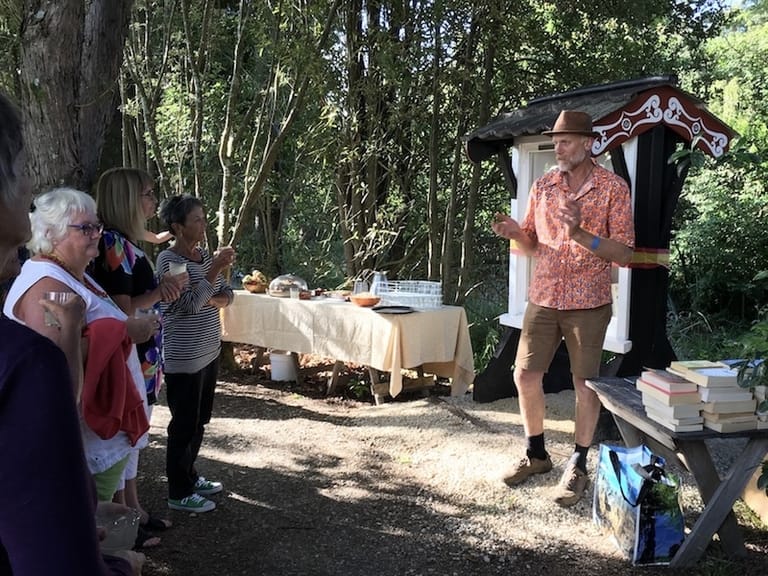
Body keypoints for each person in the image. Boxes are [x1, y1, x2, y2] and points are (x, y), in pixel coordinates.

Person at [0, 92, 143, 575]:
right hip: (87, 433)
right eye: (20, 171)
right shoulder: (24, 353)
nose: (29, 193)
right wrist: (122, 568)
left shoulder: (79, 278)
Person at [491, 109, 635, 507]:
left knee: (584, 384)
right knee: (524, 374)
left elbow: (624, 252)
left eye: (566, 140)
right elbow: (531, 243)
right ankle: (536, 454)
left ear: (588, 143)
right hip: (544, 296)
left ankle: (578, 464)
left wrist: (580, 235)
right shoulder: (544, 185)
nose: (558, 147)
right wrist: (514, 233)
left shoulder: (612, 188)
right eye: (555, 140)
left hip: (588, 303)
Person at [3, 187, 158, 504]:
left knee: (104, 523)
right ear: (50, 234)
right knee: (93, 524)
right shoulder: (46, 282)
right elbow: (53, 364)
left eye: (96, 226)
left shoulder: (71, 273)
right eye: (84, 228)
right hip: (80, 438)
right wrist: (124, 331)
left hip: (98, 430)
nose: (96, 234)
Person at [92, 167, 186, 545]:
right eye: (147, 193)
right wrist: (160, 292)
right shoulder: (112, 244)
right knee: (129, 433)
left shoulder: (126, 241)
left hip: (144, 354)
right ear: (126, 199)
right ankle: (124, 518)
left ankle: (134, 509)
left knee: (138, 433)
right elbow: (122, 310)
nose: (153, 200)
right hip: (129, 351)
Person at [157, 194, 235, 513]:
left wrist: (210, 281)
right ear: (177, 226)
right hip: (185, 356)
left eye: (204, 218)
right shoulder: (170, 261)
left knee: (200, 420)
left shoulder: (200, 255)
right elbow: (188, 306)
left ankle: (190, 476)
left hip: (209, 350)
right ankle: (178, 491)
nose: (204, 225)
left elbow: (226, 295)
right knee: (183, 424)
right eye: (197, 220)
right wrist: (214, 268)